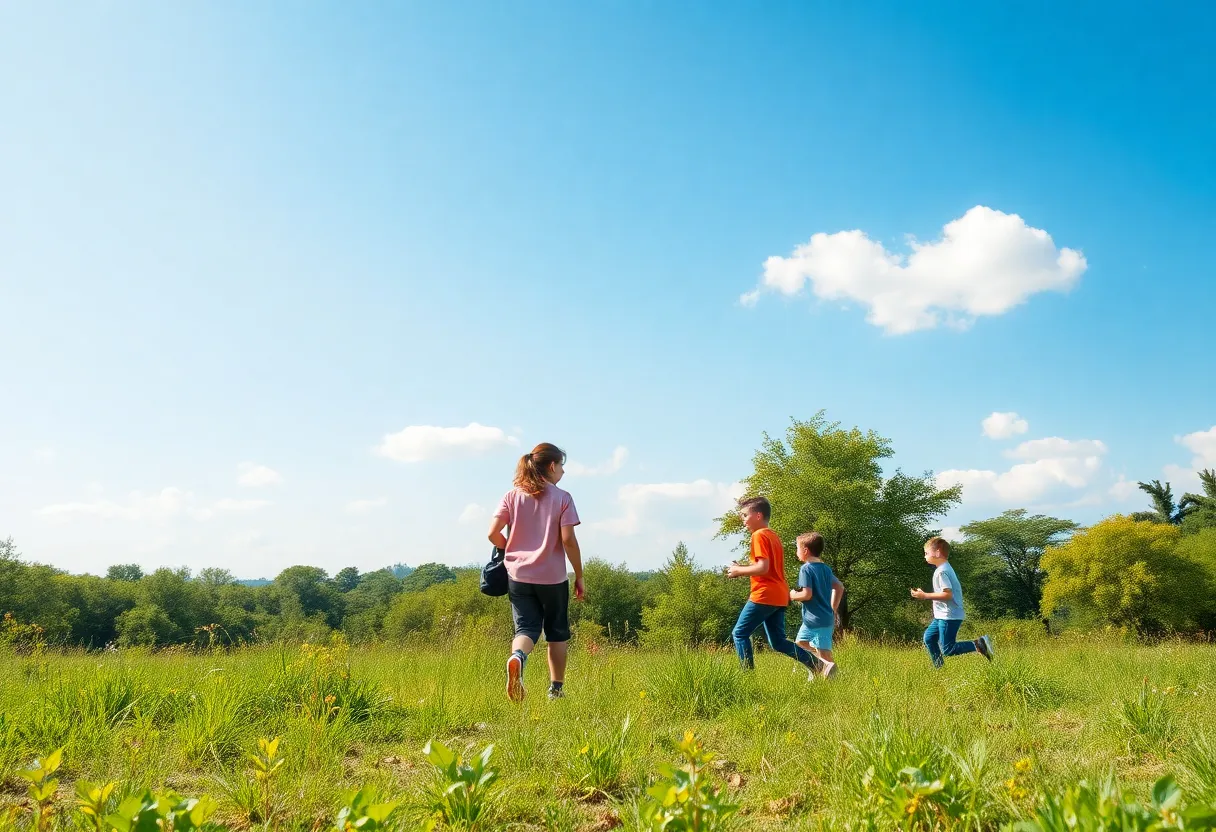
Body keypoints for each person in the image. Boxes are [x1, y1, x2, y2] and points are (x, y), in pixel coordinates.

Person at [488, 443, 585, 702]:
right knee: (556, 632)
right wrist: (579, 575)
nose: (563, 472)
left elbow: (492, 533)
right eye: (562, 466)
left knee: (526, 629)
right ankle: (556, 690)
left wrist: (513, 550)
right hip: (552, 578)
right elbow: (568, 541)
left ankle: (518, 657)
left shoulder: (511, 496)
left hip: (518, 576)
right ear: (552, 466)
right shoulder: (563, 498)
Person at [726, 496, 823, 677]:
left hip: (764, 594)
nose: (743, 520)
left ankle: (747, 678)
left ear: (758, 515)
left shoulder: (758, 535)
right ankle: (820, 666)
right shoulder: (773, 536)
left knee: (739, 633)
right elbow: (768, 567)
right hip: (780, 595)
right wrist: (743, 568)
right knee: (778, 642)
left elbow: (763, 568)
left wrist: (738, 570)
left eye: (745, 515)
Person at [911, 537, 994, 668]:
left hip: (949, 615)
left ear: (937, 553)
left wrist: (925, 595)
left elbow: (948, 595)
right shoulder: (943, 568)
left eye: (926, 553)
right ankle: (939, 668)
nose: (924, 556)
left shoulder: (942, 571)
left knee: (948, 649)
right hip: (941, 615)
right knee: (929, 638)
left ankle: (979, 643)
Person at [789, 531, 843, 678]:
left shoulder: (806, 568)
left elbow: (807, 594)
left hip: (817, 620)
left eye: (797, 548)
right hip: (814, 620)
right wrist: (833, 608)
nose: (797, 552)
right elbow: (839, 587)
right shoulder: (825, 569)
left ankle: (833, 677)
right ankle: (823, 667)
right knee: (800, 644)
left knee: (825, 653)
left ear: (805, 551)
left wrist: (793, 595)